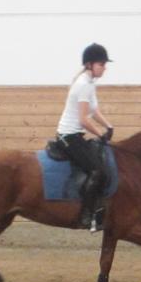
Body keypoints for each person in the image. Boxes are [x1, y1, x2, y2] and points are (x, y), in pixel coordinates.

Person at [56, 43, 115, 231]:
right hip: (68, 137)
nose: (104, 68)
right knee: (98, 171)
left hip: (76, 135)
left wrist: (108, 125)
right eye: (101, 64)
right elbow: (83, 119)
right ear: (90, 64)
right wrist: (101, 134)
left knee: (102, 165)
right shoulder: (83, 84)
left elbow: (94, 110)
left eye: (105, 64)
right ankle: (87, 216)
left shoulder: (89, 83)